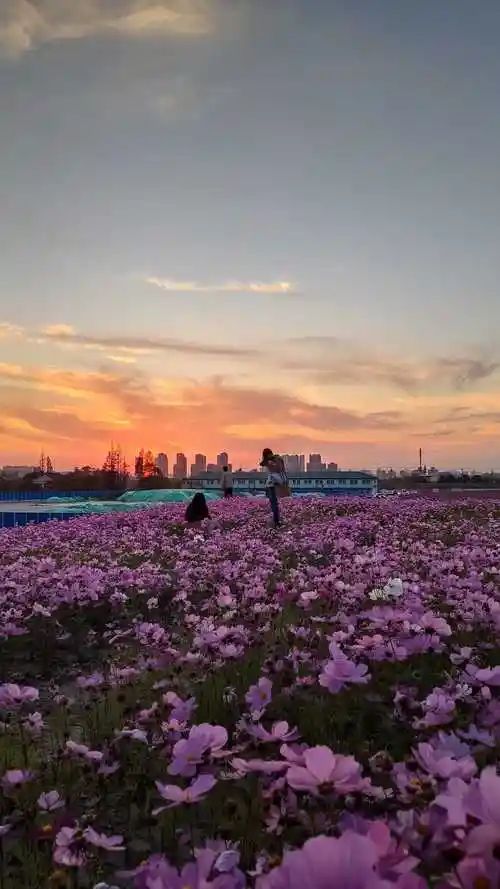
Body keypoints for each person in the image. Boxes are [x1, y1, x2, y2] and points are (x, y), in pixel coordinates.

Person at [260, 447, 289, 528]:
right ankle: (276, 521)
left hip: (272, 485)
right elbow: (262, 463)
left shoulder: (273, 461)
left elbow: (278, 468)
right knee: (274, 504)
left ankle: (276, 522)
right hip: (272, 484)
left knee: (274, 504)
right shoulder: (273, 460)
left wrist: (272, 461)